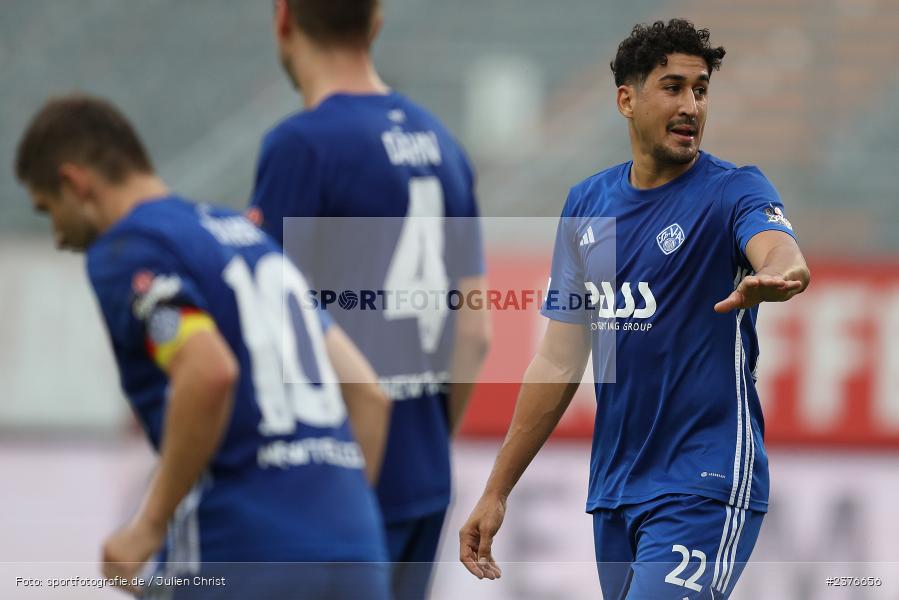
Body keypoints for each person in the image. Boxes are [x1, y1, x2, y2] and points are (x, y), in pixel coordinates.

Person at [459, 19, 810, 600]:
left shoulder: (732, 190)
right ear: (627, 98)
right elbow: (558, 360)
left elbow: (779, 247)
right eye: (673, 87)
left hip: (705, 480)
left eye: (700, 90)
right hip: (617, 492)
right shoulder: (589, 204)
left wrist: (781, 272)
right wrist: (497, 489)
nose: (691, 105)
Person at [14, 94, 392, 599]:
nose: (58, 235)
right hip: (356, 554)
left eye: (49, 210)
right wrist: (329, 526)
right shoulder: (248, 238)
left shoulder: (130, 248)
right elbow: (368, 392)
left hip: (241, 553)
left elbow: (208, 371)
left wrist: (148, 524)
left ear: (75, 183)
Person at [249, 1, 491, 597]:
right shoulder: (442, 142)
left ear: (283, 18)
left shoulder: (300, 146)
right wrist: (427, 438)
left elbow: (264, 324)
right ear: (375, 24)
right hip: (424, 475)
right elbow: (476, 332)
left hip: (330, 488)